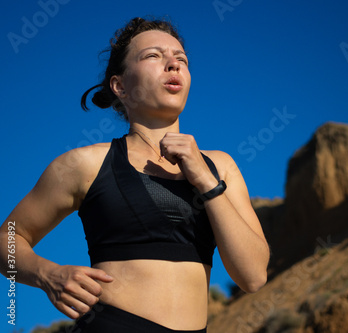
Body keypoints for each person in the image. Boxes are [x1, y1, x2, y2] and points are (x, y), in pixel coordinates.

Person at [0, 17, 270, 333]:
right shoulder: (83, 164)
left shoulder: (220, 167)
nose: (174, 65)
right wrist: (47, 274)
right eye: (154, 56)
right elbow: (7, 238)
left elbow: (253, 277)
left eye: (181, 59)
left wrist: (206, 182)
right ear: (120, 86)